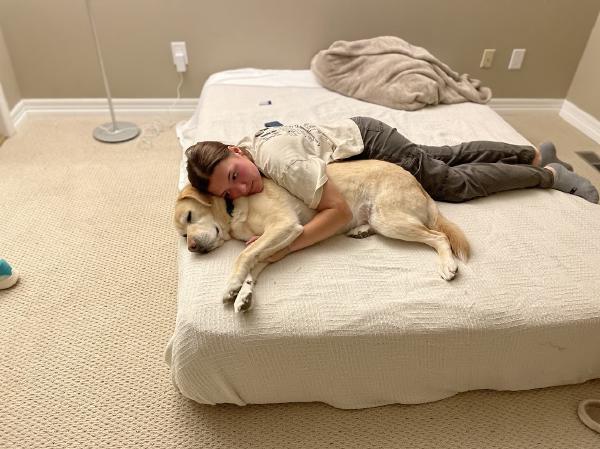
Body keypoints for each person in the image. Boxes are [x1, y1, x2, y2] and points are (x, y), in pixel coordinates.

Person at [185, 116, 599, 262]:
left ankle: (550, 175)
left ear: (236, 151)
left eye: (235, 175)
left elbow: (339, 212)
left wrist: (284, 246)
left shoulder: (282, 163)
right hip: (357, 133)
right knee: (442, 156)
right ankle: (531, 154)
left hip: (370, 146)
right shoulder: (247, 148)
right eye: (229, 192)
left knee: (450, 183)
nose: (243, 187)